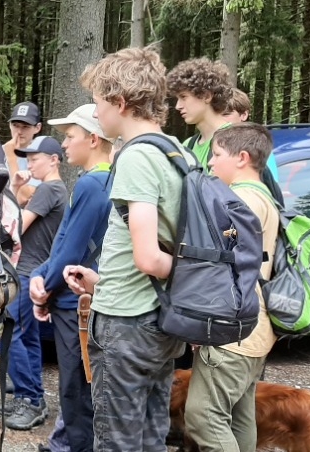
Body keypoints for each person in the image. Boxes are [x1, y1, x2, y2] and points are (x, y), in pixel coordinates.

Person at [78, 46, 191, 451]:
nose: (95, 114)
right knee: (150, 434)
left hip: (128, 323)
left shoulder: (137, 158)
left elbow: (148, 256)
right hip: (161, 317)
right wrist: (102, 280)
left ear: (120, 103)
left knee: (117, 442)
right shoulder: (176, 151)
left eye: (97, 104)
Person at [186, 123, 279, 452]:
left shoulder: (240, 200)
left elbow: (222, 269)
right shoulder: (266, 197)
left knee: (203, 416)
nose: (210, 163)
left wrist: (203, 325)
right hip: (256, 328)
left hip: (232, 331)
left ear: (242, 158)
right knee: (239, 417)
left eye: (216, 155)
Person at [28, 104, 113, 452]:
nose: (64, 145)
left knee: (76, 393)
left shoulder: (93, 184)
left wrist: (42, 289)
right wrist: (40, 274)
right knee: (85, 390)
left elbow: (70, 249)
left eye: (70, 136)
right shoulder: (112, 179)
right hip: (86, 298)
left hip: (73, 304)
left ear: (93, 139)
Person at [3, 135, 68, 431]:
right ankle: (32, 395)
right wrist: (16, 186)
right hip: (32, 269)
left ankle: (29, 398)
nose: (30, 163)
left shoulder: (49, 189)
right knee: (27, 335)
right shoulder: (55, 190)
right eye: (27, 158)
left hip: (28, 269)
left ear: (54, 160)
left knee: (14, 332)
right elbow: (15, 209)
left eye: (35, 159)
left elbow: (13, 225)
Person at [167, 58, 233, 169]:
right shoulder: (188, 145)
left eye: (183, 97)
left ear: (206, 96)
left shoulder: (235, 141)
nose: (178, 106)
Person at [3, 101, 43, 206]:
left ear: (37, 128)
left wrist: (11, 158)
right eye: (15, 125)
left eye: (25, 126)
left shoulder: (40, 157)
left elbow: (23, 198)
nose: (19, 131)